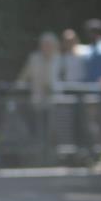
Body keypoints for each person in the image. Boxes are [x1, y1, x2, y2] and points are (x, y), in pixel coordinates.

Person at [16, 32, 60, 162]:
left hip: (55, 103)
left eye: (49, 45)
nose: (46, 47)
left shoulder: (59, 59)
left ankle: (53, 157)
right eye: (44, 45)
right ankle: (39, 157)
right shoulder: (34, 58)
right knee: (37, 131)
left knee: (53, 132)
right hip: (37, 102)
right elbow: (24, 77)